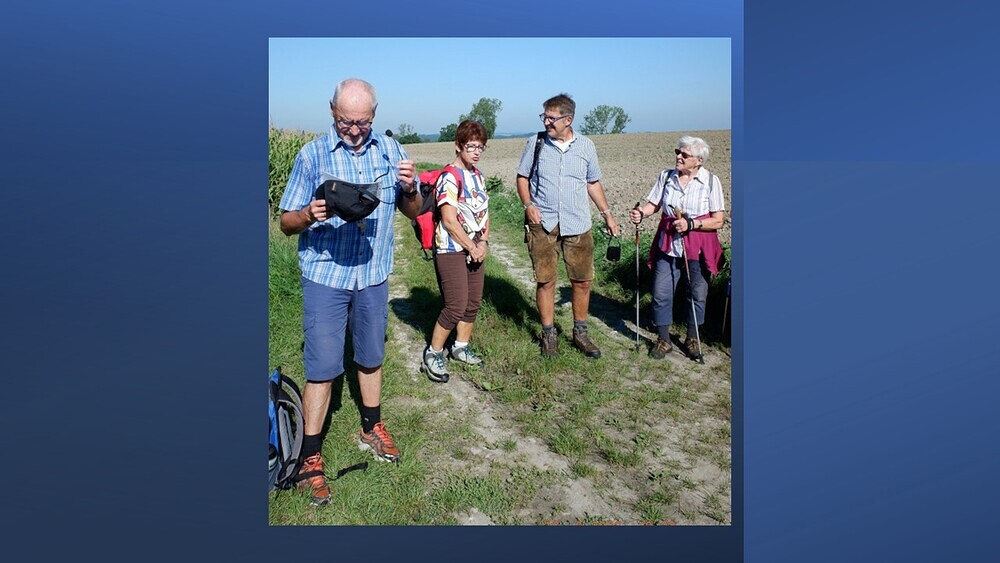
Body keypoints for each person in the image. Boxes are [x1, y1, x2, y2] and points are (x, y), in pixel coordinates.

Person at [277, 78, 422, 505]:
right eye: (346, 122)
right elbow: (285, 222)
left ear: (374, 115)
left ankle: (371, 427)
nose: (355, 130)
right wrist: (308, 213)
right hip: (326, 275)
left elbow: (413, 211)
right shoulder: (312, 155)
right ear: (332, 111)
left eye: (362, 122)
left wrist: (410, 188)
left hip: (373, 273)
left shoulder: (390, 151)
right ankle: (309, 456)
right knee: (322, 368)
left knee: (371, 356)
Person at [516, 93, 620, 359]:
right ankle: (548, 334)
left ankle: (580, 333)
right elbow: (522, 177)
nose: (546, 122)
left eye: (551, 118)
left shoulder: (586, 146)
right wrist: (528, 205)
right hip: (543, 223)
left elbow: (592, 183)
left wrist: (607, 215)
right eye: (544, 117)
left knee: (582, 281)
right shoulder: (536, 143)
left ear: (568, 119)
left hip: (578, 223)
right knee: (546, 280)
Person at [628, 135, 726, 360]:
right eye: (677, 152)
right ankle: (664, 339)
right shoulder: (666, 176)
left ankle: (692, 338)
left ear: (699, 161)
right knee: (661, 292)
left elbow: (718, 220)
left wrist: (692, 224)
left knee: (697, 293)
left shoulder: (711, 182)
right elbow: (653, 205)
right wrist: (641, 213)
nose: (678, 157)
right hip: (668, 245)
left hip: (698, 248)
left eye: (684, 154)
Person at [420, 121, 491, 383]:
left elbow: (484, 214)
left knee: (473, 303)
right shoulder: (449, 177)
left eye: (480, 147)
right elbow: (449, 221)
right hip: (450, 248)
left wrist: (483, 243)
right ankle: (433, 353)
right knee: (456, 305)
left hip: (475, 246)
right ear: (458, 146)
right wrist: (471, 246)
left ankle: (461, 347)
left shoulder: (478, 176)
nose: (476, 152)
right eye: (471, 146)